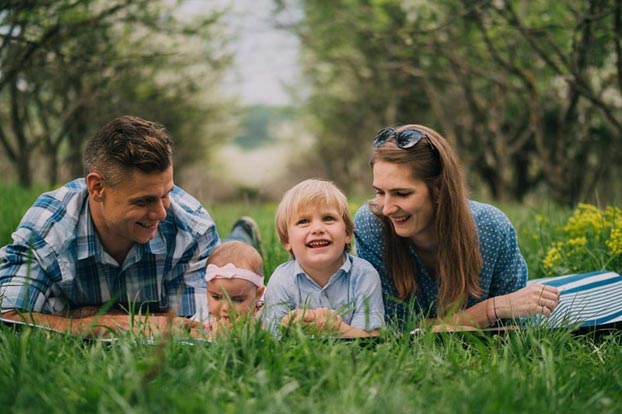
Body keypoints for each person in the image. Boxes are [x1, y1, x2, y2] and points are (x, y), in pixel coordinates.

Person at [0, 115, 262, 338]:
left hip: (216, 256)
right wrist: (107, 322)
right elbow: (8, 316)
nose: (161, 212)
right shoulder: (48, 227)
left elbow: (197, 327)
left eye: (166, 194)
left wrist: (75, 315)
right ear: (97, 188)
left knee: (235, 264)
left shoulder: (192, 227)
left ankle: (242, 234)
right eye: (144, 201)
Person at [354, 124, 560, 331]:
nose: (387, 208)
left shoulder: (491, 228)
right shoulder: (372, 225)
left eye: (402, 194)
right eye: (380, 192)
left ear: (438, 189)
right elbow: (391, 328)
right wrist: (491, 309)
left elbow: (516, 324)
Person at [262, 179, 384, 338]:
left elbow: (372, 338)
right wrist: (288, 326)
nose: (318, 229)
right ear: (287, 241)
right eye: (303, 221)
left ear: (347, 233)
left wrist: (336, 328)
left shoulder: (364, 275)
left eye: (328, 218)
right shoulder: (281, 281)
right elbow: (273, 341)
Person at [204, 240, 265, 338]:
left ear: (258, 295)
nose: (225, 308)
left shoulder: (261, 320)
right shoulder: (205, 317)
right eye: (217, 297)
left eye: (237, 299)